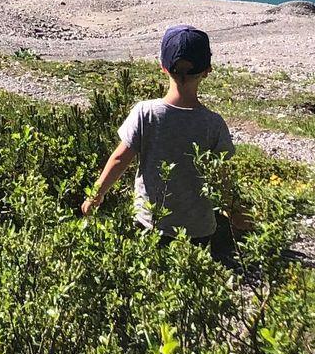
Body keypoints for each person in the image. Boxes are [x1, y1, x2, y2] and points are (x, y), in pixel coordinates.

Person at [81, 24, 243, 262]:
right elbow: (223, 177)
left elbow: (119, 159)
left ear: (163, 66)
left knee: (149, 273)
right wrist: (236, 212)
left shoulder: (145, 113)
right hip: (198, 229)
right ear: (207, 70)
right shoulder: (214, 123)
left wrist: (95, 196)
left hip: (151, 222)